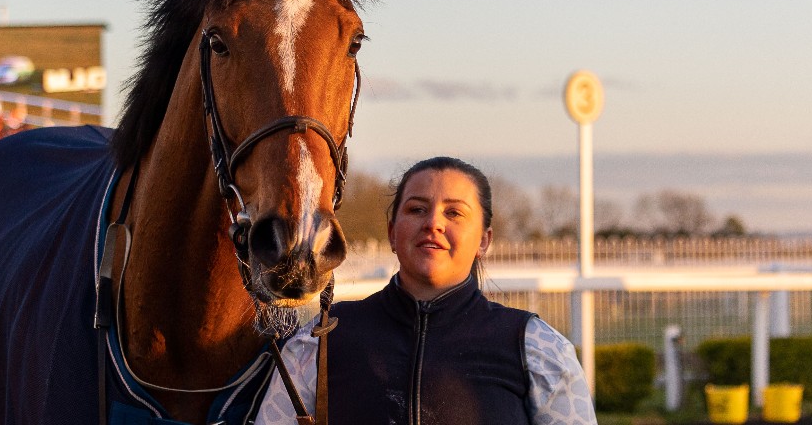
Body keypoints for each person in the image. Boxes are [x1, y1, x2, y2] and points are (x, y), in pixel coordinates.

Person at [256, 156, 597, 425]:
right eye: (417, 209)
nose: (433, 222)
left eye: (454, 212)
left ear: (484, 240)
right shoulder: (319, 343)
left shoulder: (536, 349)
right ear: (392, 233)